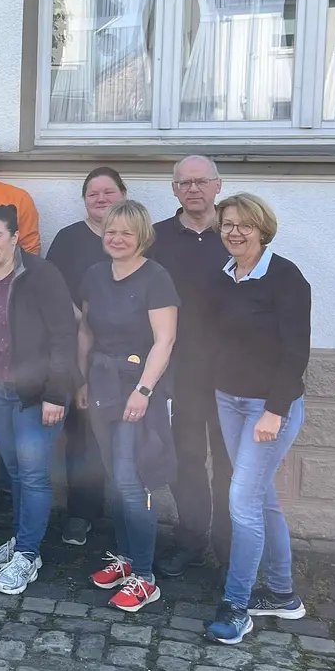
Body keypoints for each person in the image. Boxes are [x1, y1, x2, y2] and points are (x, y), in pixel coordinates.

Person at [203, 194, 314, 644]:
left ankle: (237, 604)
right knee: (261, 498)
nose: (234, 231)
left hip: (269, 408)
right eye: (228, 224)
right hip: (228, 399)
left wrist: (275, 410)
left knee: (242, 502)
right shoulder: (224, 276)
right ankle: (284, 596)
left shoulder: (286, 278)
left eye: (244, 225)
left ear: (262, 229)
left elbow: (295, 353)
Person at [0, 206, 80, 595]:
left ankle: (28, 555)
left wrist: (55, 393)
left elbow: (64, 335)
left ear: (15, 237)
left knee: (33, 476)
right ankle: (20, 540)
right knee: (15, 473)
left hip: (36, 394)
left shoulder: (40, 276)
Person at [78, 200, 178, 613]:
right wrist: (81, 378)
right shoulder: (95, 275)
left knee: (132, 478)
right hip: (101, 385)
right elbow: (85, 329)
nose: (117, 239)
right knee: (115, 479)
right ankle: (125, 559)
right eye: (111, 231)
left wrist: (145, 390)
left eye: (127, 233)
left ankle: (145, 577)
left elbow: (165, 340)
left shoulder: (156, 278)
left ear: (142, 238)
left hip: (137, 389)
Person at [147, 156, 232, 578]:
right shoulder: (157, 238)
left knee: (231, 462)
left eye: (202, 182)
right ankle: (193, 539)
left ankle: (230, 546)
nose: (193, 189)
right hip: (179, 371)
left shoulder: (238, 232)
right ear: (174, 190)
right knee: (187, 459)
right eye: (185, 183)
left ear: (218, 186)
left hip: (234, 372)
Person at [44, 166, 126, 546]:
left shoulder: (137, 238)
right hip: (77, 347)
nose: (100, 199)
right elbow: (52, 288)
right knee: (80, 436)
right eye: (93, 193)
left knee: (123, 436)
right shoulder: (68, 238)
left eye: (108, 192)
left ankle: (128, 517)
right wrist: (82, 319)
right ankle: (82, 513)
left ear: (122, 196)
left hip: (125, 355)